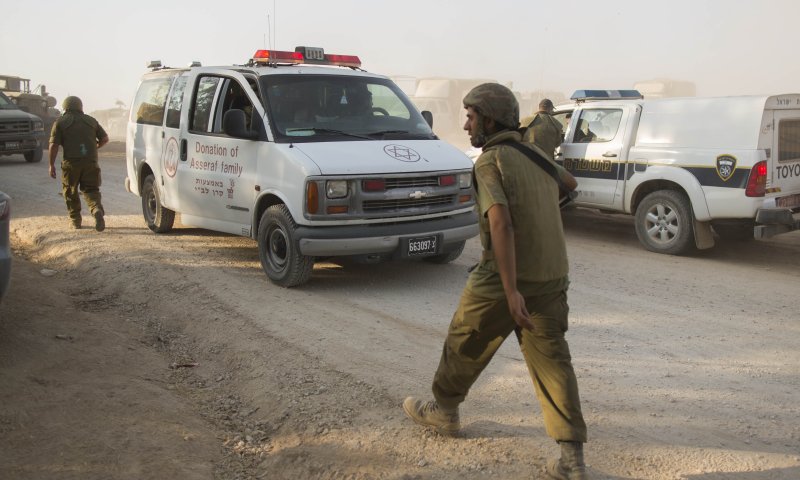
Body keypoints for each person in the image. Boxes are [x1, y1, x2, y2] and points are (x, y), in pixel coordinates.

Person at [402, 83, 589, 480]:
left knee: (464, 339)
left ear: (489, 119)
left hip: (504, 277)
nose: (467, 126)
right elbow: (569, 185)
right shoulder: (534, 152)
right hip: (552, 274)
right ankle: (571, 459)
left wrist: (509, 291)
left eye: (471, 118)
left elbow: (500, 223)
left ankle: (444, 412)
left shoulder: (490, 162)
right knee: (553, 362)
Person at [48, 96, 109, 231]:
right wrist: (95, 146)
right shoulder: (91, 121)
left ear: (65, 107)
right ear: (80, 107)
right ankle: (96, 209)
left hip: (71, 163)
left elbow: (53, 146)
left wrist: (51, 164)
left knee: (70, 190)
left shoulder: (60, 122)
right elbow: (105, 139)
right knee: (91, 189)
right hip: (91, 161)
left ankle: (75, 220)